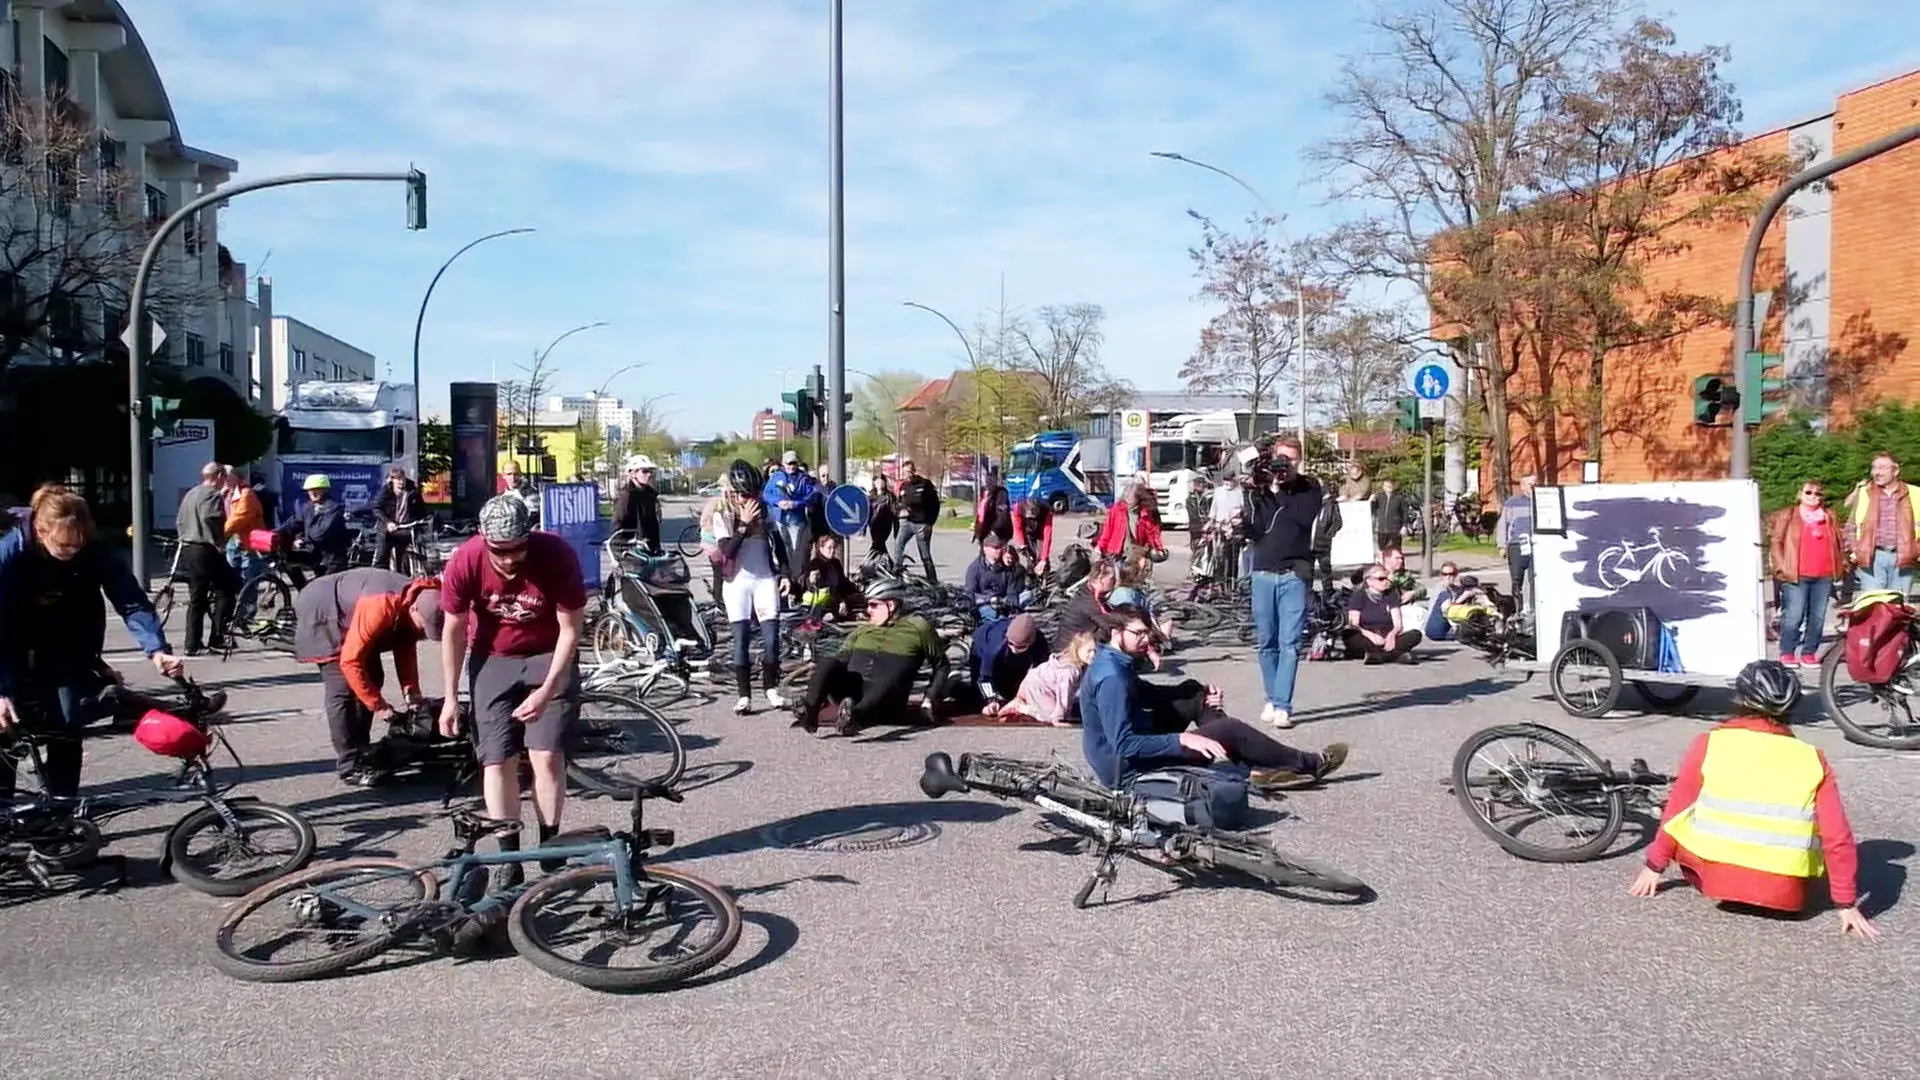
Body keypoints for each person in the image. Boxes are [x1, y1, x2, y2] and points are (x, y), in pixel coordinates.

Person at [1630, 659, 1878, 939]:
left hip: (1717, 884)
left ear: (1740, 700)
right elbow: (1838, 836)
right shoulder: (1812, 758)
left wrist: (1654, 866)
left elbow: (1677, 810)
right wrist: (1846, 903)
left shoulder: (1709, 743)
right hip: (1788, 897)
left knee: (1687, 811)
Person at [0, 485, 183, 801]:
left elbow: (130, 599)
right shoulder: (11, 551)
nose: (71, 552)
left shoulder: (91, 549)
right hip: (10, 641)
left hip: (64, 642)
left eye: (77, 545)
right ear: (40, 531)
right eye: (63, 545)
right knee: (5, 725)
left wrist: (156, 649)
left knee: (69, 724)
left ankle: (63, 811)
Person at [437, 494, 587, 877]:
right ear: (484, 539)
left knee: (546, 755)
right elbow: (453, 630)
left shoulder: (555, 555)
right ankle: (509, 855)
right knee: (497, 758)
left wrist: (548, 689)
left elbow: (571, 630)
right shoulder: (466, 559)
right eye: (499, 552)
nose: (507, 561)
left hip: (548, 654)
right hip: (493, 659)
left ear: (529, 536)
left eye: (517, 551)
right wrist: (451, 698)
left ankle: (550, 844)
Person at [1080, 604, 1348, 798]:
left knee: (1194, 693)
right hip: (1123, 766)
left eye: (1148, 633)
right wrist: (1182, 739)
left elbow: (1146, 692)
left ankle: (1249, 767)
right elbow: (1124, 744)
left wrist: (1200, 694)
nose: (1146, 639)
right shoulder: (1112, 677)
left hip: (1129, 742)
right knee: (1231, 730)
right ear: (1116, 632)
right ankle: (1310, 763)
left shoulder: (1113, 659)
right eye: (1138, 633)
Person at [292, 568, 444, 786]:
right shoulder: (381, 605)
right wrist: (379, 706)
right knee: (343, 688)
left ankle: (361, 750)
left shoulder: (426, 595)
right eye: (425, 627)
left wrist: (412, 694)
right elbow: (350, 661)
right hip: (324, 607)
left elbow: (405, 647)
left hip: (355, 610)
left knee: (373, 677)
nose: (424, 633)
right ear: (414, 609)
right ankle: (350, 765)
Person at [795, 575, 949, 736]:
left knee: (891, 677)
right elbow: (841, 660)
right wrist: (824, 684)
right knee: (828, 662)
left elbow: (941, 666)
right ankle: (810, 711)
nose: (868, 611)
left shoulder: (918, 627)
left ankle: (855, 717)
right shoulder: (863, 630)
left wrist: (929, 699)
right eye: (868, 605)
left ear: (891, 604)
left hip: (888, 700)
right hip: (854, 691)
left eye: (874, 605)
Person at [1244, 438, 1321, 729]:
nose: (1284, 466)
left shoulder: (1309, 487)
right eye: (1281, 459)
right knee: (1267, 642)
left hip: (1293, 573)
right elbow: (1258, 529)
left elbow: (1302, 519)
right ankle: (1272, 696)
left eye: (1291, 461)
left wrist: (1281, 489)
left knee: (1289, 643)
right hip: (1263, 571)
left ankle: (1283, 705)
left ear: (1299, 462)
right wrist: (1261, 492)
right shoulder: (1262, 489)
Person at [710, 460, 790, 714]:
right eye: (746, 495)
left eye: (754, 495)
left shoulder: (765, 511)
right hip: (736, 582)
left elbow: (779, 544)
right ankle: (744, 695)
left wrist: (786, 574)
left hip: (764, 579)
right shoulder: (723, 513)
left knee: (770, 639)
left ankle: (771, 689)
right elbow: (727, 552)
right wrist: (743, 524)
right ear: (734, 492)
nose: (751, 500)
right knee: (741, 639)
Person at [1770, 479, 1843, 666]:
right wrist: (1781, 567)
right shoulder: (1788, 515)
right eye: (1808, 493)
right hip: (1796, 573)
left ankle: (1809, 652)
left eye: (1818, 493)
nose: (1813, 497)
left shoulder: (1829, 516)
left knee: (1817, 617)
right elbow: (1776, 542)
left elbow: (1838, 543)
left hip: (1823, 574)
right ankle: (1787, 651)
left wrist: (1842, 565)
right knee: (1794, 615)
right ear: (1799, 494)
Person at [176, 462, 237, 654]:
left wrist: (184, 538)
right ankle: (217, 637)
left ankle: (191, 644)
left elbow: (179, 521)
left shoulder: (191, 494)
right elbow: (210, 517)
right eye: (223, 477)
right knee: (227, 589)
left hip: (189, 548)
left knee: (197, 597)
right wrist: (218, 542)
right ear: (218, 476)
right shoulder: (212, 494)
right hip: (206, 550)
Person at [1843, 452, 1919, 596]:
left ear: (1895, 471)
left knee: (1897, 607)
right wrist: (1854, 551)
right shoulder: (1864, 493)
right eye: (1874, 468)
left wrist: (1917, 550)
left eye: (1882, 468)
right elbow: (1851, 526)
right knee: (1873, 606)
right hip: (1872, 558)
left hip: (1903, 557)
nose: (1876, 472)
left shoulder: (1915, 493)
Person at [998, 630, 1095, 725]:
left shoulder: (1080, 663)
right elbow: (1064, 694)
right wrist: (1058, 719)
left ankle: (1026, 704)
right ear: (1077, 650)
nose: (1093, 655)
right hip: (1038, 686)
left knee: (1072, 710)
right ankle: (1021, 708)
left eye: (1095, 651)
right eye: (1089, 651)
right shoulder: (1069, 671)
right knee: (1048, 717)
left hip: (1038, 680)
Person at [282, 473, 350, 587]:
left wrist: (303, 540)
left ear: (325, 490)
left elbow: (320, 533)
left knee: (325, 591)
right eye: (309, 490)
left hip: (332, 560)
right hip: (315, 555)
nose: (312, 493)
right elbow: (293, 523)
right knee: (287, 561)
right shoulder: (307, 507)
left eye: (316, 490)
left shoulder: (334, 508)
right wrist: (271, 534)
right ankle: (303, 589)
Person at [1345, 562, 1421, 664]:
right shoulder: (1359, 595)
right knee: (1348, 635)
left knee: (1415, 635)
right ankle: (1396, 655)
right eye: (1381, 579)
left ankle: (1377, 656)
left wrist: (1392, 635)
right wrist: (1370, 635)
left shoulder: (1391, 594)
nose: (1385, 581)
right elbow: (1354, 624)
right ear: (1369, 581)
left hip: (1387, 635)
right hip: (1368, 636)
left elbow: (1398, 625)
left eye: (1386, 578)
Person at [971, 612, 1049, 711]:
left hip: (1014, 653)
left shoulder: (1040, 643)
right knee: (977, 696)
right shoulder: (993, 648)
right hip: (982, 646)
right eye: (1011, 644)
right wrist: (991, 700)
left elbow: (1041, 671)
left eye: (1021, 646)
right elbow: (984, 678)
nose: (1015, 649)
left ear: (1031, 642)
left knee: (1010, 692)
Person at [762, 451, 816, 585]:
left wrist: (795, 504)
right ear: (783, 464)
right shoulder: (776, 477)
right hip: (779, 519)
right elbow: (766, 494)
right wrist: (778, 502)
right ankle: (785, 578)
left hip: (796, 520)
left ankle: (796, 581)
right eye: (789, 463)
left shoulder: (803, 478)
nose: (791, 466)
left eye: (794, 463)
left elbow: (810, 497)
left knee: (796, 553)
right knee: (781, 550)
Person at [889, 458, 941, 582]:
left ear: (914, 471)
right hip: (907, 522)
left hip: (922, 523)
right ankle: (897, 574)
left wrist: (930, 522)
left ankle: (933, 580)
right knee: (898, 546)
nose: (908, 475)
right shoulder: (903, 486)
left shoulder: (925, 484)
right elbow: (899, 503)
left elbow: (935, 505)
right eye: (905, 472)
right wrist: (899, 510)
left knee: (925, 554)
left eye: (909, 472)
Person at [1095, 479, 1167, 563]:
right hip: (1116, 553)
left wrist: (1158, 548)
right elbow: (1107, 531)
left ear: (1139, 496)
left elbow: (1154, 533)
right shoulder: (1116, 510)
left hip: (1138, 554)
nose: (1129, 498)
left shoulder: (1146, 513)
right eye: (1127, 495)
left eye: (1132, 495)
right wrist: (1100, 547)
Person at [374, 466, 425, 573]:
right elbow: (377, 509)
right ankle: (381, 579)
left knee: (404, 557)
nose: (401, 482)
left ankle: (403, 579)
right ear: (392, 481)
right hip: (388, 529)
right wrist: (387, 522)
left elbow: (421, 509)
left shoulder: (412, 491)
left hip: (405, 528)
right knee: (382, 557)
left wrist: (419, 521)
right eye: (398, 479)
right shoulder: (386, 491)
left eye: (402, 478)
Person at [1495, 474, 1537, 603]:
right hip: (1517, 545)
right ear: (1522, 486)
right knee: (1517, 579)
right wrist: (1502, 546)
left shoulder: (1542, 501)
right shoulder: (1512, 503)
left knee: (1535, 580)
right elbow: (1503, 524)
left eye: (1536, 483)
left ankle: (1534, 609)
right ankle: (1517, 608)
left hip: (1536, 545)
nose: (1534, 487)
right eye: (1531, 484)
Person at [964, 535, 1026, 620]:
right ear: (985, 548)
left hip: (1003, 605)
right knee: (991, 614)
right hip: (983, 605)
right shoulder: (975, 568)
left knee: (1027, 596)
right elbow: (970, 592)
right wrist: (988, 600)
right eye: (995, 548)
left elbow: (1012, 593)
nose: (999, 550)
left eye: (1001, 547)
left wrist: (1014, 611)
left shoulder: (1009, 568)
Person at [611, 454, 662, 555]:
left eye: (651, 471)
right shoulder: (626, 496)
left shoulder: (650, 495)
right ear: (633, 474)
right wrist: (625, 545)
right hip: (631, 551)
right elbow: (618, 523)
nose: (649, 475)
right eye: (644, 471)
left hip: (650, 548)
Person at [800, 533, 857, 619]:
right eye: (829, 548)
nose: (832, 550)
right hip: (824, 600)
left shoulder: (836, 563)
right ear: (821, 548)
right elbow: (824, 588)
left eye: (834, 548)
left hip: (837, 597)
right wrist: (840, 601)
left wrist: (855, 588)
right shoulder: (816, 564)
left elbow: (842, 583)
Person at [1060, 558, 1119, 639]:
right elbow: (1108, 628)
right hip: (1070, 648)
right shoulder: (1088, 602)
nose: (1115, 582)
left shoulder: (1089, 593)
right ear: (1101, 578)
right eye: (1112, 579)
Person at [1309, 482, 1343, 598]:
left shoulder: (1331, 505)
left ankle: (1328, 592)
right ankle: (1308, 591)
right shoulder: (1312, 503)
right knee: (1308, 568)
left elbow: (1338, 522)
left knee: (1325, 568)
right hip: (1310, 541)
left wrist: (1328, 535)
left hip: (1322, 542)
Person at [1423, 562, 1464, 642]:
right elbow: (1447, 610)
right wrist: (1463, 597)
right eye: (1445, 574)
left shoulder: (1454, 589)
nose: (1448, 577)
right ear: (1441, 576)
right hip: (1435, 629)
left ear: (1456, 575)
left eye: (1451, 574)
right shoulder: (1442, 590)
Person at [1013, 494, 1054, 570]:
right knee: (1030, 557)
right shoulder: (1018, 507)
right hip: (1027, 533)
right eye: (1030, 512)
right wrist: (1021, 543)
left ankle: (1044, 573)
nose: (1032, 514)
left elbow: (1047, 535)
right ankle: (1031, 573)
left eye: (1035, 511)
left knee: (1042, 557)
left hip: (1040, 533)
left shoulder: (1047, 510)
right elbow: (1018, 528)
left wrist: (1044, 559)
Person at [973, 475, 1015, 548]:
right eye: (986, 481)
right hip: (984, 533)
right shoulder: (986, 493)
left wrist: (994, 530)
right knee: (985, 557)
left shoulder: (1002, 493)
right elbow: (981, 513)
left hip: (997, 534)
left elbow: (1003, 515)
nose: (988, 483)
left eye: (991, 480)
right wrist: (978, 532)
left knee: (994, 556)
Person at [1370, 479, 1409, 555]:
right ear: (1383, 487)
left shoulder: (1399, 498)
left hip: (1395, 529)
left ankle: (1399, 566)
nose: (1389, 487)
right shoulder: (1379, 497)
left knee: (1396, 551)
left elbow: (1404, 512)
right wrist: (1371, 501)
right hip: (1382, 529)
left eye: (1390, 486)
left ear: (1394, 487)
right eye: (1386, 486)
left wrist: (1404, 526)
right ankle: (1383, 566)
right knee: (1382, 551)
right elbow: (1373, 509)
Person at [867, 474, 897, 561]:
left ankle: (870, 561)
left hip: (885, 523)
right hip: (874, 523)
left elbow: (894, 510)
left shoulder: (890, 496)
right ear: (874, 483)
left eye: (881, 481)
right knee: (878, 543)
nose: (879, 483)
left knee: (879, 542)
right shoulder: (870, 495)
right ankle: (885, 562)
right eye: (877, 481)